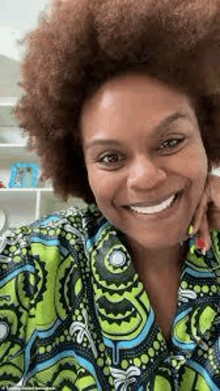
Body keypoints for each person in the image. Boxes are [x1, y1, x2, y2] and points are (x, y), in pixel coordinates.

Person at [1, 0, 220, 389]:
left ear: (206, 137)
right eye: (111, 157)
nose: (146, 178)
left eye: (170, 142)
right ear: (80, 166)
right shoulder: (35, 264)